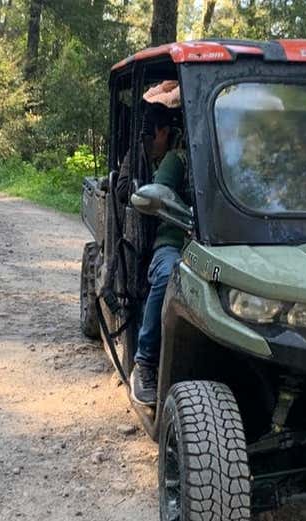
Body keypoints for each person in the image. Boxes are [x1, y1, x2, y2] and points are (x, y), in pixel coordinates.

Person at [123, 82, 188, 406]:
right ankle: (145, 361)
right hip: (174, 240)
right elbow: (155, 195)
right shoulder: (178, 161)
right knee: (168, 275)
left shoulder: (235, 159)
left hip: (222, 248)